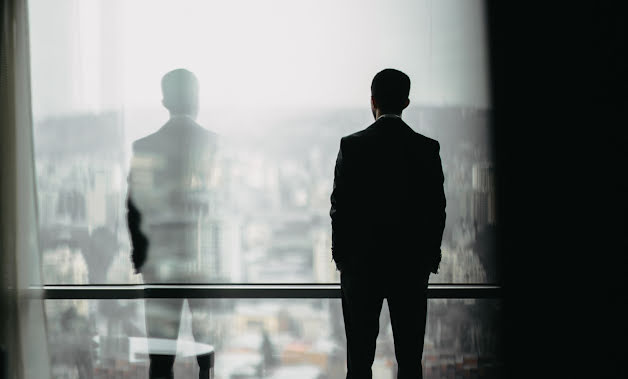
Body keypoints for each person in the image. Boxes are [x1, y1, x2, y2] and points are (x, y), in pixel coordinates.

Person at [330, 68, 446, 379]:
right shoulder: (426, 149)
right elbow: (437, 211)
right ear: (406, 102)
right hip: (409, 270)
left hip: (361, 270)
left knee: (359, 362)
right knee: (409, 361)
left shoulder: (351, 147)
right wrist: (428, 261)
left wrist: (343, 261)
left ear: (372, 101)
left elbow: (339, 209)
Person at [126, 68, 218, 379]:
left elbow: (134, 208)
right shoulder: (213, 143)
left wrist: (141, 257)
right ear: (196, 99)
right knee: (207, 351)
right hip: (203, 262)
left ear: (164, 101)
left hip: (159, 263)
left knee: (161, 355)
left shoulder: (145, 145)